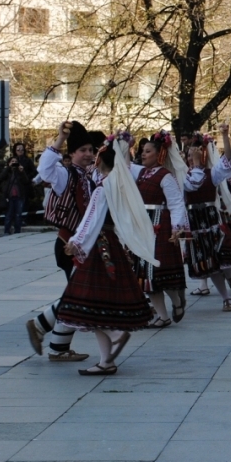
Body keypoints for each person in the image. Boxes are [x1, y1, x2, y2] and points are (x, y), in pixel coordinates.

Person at [59, 131, 156, 375]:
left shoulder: (103, 188)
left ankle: (116, 335)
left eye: (97, 154)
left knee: (90, 304)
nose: (93, 158)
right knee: (102, 308)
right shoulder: (120, 184)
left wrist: (75, 242)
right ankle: (106, 361)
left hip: (99, 247)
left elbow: (91, 219)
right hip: (111, 244)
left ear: (102, 160)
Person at [26, 121, 103, 362]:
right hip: (68, 243)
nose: (88, 154)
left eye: (91, 150)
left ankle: (57, 345)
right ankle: (41, 326)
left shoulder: (91, 176)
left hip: (85, 245)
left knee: (79, 294)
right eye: (83, 150)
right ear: (71, 154)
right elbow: (45, 168)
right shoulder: (64, 174)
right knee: (78, 295)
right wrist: (60, 138)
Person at [183, 125, 231, 312]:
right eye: (188, 155)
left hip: (211, 219)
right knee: (210, 265)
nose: (191, 158)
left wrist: (224, 135)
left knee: (222, 258)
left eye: (194, 155)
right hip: (196, 223)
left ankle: (230, 278)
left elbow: (228, 159)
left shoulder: (211, 173)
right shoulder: (184, 176)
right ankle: (226, 298)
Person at [131, 130, 190, 328]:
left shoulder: (165, 176)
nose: (143, 154)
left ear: (159, 154)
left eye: (147, 151)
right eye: (142, 151)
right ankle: (163, 316)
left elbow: (175, 203)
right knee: (146, 276)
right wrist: (122, 144)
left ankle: (177, 301)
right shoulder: (140, 172)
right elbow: (121, 167)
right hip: (143, 227)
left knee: (160, 273)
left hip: (160, 227)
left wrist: (177, 229)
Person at [1, 146, 34, 235]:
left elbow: (26, 181)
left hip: (19, 196)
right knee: (9, 215)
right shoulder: (7, 172)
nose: (14, 163)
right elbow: (1, 177)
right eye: (12, 162)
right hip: (9, 196)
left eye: (16, 162)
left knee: (18, 214)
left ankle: (17, 231)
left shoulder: (20, 172)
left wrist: (22, 171)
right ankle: (7, 231)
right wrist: (9, 168)